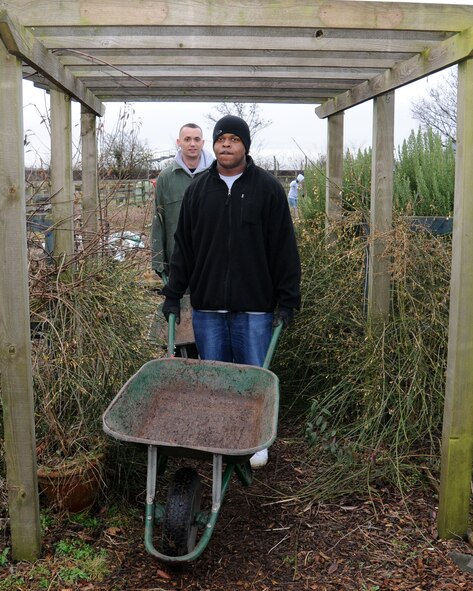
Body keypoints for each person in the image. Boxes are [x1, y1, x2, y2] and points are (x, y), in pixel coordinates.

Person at [161, 115, 301, 468]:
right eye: (221, 138)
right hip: (208, 306)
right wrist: (174, 293)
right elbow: (184, 248)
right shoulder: (198, 191)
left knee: (254, 375)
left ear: (245, 146)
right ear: (215, 144)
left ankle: (256, 441)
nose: (226, 144)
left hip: (255, 305)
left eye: (234, 139)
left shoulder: (267, 190)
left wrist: (287, 298)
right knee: (216, 378)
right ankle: (221, 437)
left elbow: (283, 246)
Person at [151, 123, 214, 279]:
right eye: (187, 139)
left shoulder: (216, 176)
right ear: (179, 142)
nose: (192, 144)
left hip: (212, 260)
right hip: (177, 261)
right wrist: (158, 262)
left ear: (203, 143)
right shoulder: (166, 178)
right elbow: (158, 220)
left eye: (196, 139)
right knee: (180, 303)